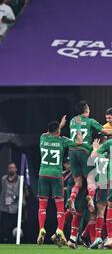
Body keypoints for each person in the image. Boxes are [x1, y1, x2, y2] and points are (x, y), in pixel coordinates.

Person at [37, 116, 82, 246]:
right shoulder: (62, 141)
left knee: (42, 205)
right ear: (59, 131)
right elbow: (79, 141)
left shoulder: (43, 138)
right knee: (59, 206)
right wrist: (77, 127)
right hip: (56, 175)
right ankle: (60, 229)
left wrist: (59, 127)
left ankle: (41, 228)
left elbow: (50, 132)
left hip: (43, 174)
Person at [67, 100, 104, 213]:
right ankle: (91, 198)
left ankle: (72, 198)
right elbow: (104, 130)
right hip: (84, 151)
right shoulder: (90, 121)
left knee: (78, 182)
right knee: (90, 179)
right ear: (87, 110)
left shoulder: (73, 121)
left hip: (72, 152)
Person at [0, 163, 26, 243]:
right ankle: (5, 240)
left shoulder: (20, 179)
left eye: (13, 167)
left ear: (16, 169)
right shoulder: (3, 179)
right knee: (5, 227)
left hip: (16, 207)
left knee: (16, 227)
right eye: (10, 168)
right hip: (5, 207)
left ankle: (15, 241)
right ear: (8, 169)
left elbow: (25, 192)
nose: (12, 169)